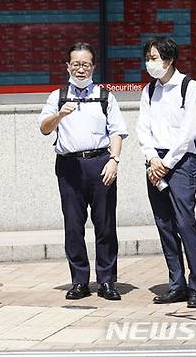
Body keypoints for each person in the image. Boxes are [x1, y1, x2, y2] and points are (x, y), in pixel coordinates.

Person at [38, 42, 128, 301]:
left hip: (101, 163)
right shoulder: (57, 96)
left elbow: (118, 131)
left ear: (93, 67)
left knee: (106, 224)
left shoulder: (105, 96)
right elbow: (44, 128)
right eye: (75, 64)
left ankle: (107, 281)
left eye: (85, 64)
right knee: (73, 226)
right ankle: (79, 281)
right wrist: (59, 115)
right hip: (69, 166)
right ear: (67, 66)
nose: (80, 69)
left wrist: (115, 160)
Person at [136, 36, 196, 308]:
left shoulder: (189, 87)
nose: (149, 63)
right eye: (148, 58)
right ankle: (176, 285)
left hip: (181, 163)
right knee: (164, 225)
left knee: (185, 223)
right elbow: (143, 128)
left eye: (154, 58)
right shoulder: (149, 90)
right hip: (155, 162)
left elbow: (190, 131)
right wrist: (153, 158)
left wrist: (168, 162)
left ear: (169, 59)